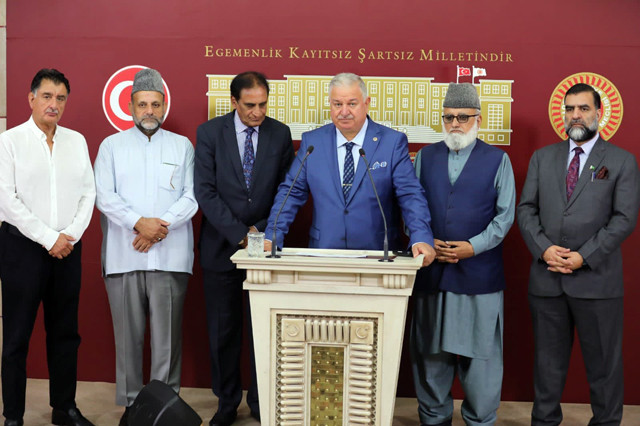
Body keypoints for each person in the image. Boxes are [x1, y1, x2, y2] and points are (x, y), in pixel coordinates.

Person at [517, 83, 640, 425]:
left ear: (599, 113)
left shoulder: (621, 161)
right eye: (570, 109)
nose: (575, 115)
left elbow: (624, 218)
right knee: (547, 366)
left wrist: (584, 256)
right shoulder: (543, 158)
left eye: (583, 108)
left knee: (604, 368)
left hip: (597, 283)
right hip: (547, 280)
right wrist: (544, 249)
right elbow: (526, 211)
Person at [94, 68, 198, 426]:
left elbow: (191, 196)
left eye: (155, 104)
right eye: (142, 104)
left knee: (167, 341)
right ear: (131, 106)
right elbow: (104, 197)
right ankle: (132, 408)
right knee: (128, 339)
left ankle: (164, 407)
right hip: (125, 255)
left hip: (170, 257)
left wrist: (158, 226)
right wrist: (139, 223)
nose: (149, 111)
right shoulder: (112, 146)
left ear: (164, 105)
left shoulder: (181, 146)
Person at [410, 83, 516, 426]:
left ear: (478, 119)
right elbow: (412, 209)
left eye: (463, 117)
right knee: (431, 357)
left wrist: (474, 246)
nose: (455, 123)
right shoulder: (425, 157)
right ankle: (434, 418)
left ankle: (480, 420)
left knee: (481, 361)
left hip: (479, 277)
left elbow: (505, 216)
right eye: (449, 117)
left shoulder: (498, 159)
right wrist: (426, 241)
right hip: (433, 274)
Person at [195, 71, 294, 426]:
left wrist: (264, 231)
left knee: (263, 328)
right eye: (250, 105)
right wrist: (241, 234)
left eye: (263, 104)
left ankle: (260, 399)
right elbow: (205, 191)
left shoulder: (280, 134)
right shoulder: (209, 133)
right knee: (223, 330)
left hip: (267, 245)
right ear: (234, 102)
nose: (257, 112)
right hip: (222, 246)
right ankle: (226, 401)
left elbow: (288, 189)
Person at [0, 69, 96, 426]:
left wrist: (68, 234)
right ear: (31, 98)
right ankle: (13, 415)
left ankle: (64, 408)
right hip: (21, 249)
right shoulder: (9, 141)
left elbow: (89, 192)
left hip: (67, 250)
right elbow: (6, 200)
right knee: (16, 338)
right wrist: (48, 237)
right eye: (47, 96)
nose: (53, 104)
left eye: (60, 98)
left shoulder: (77, 141)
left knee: (65, 333)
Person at [264, 72, 435, 264]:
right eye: (337, 104)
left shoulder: (392, 142)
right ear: (330, 104)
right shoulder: (313, 142)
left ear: (366, 103)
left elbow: (410, 194)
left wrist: (420, 236)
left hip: (378, 254)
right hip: (324, 253)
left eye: (352, 104)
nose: (344, 111)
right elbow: (291, 192)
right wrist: (272, 235)